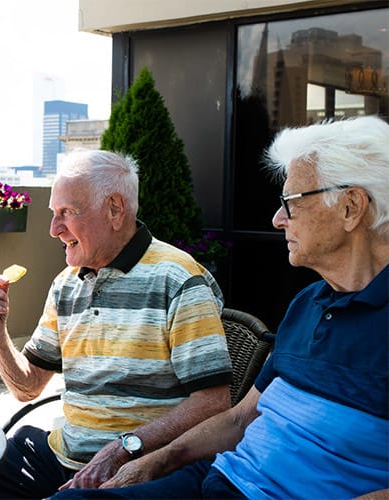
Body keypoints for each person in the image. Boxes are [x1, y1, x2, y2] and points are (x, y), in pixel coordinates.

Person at [51, 115, 389, 499]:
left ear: (351, 207)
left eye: (290, 203)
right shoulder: (308, 304)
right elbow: (241, 417)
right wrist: (153, 461)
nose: (278, 220)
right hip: (215, 480)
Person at [0, 149, 232, 498]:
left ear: (114, 209)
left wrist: (126, 448)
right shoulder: (67, 284)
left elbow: (213, 402)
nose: (53, 229)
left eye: (67, 213)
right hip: (65, 456)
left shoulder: (178, 279)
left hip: (143, 468)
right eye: (54, 214)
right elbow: (27, 388)